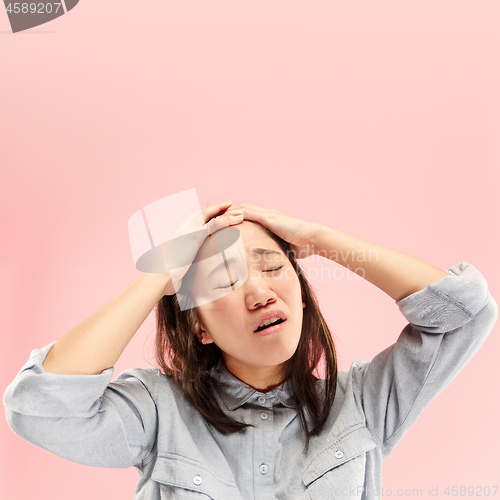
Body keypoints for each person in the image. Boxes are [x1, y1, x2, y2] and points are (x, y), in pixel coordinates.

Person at [3, 200, 498, 500]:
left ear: (302, 291)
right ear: (199, 328)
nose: (259, 292)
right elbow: (41, 409)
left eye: (272, 267)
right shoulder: (158, 410)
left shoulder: (364, 403)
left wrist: (318, 240)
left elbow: (466, 311)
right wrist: (162, 275)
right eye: (224, 281)